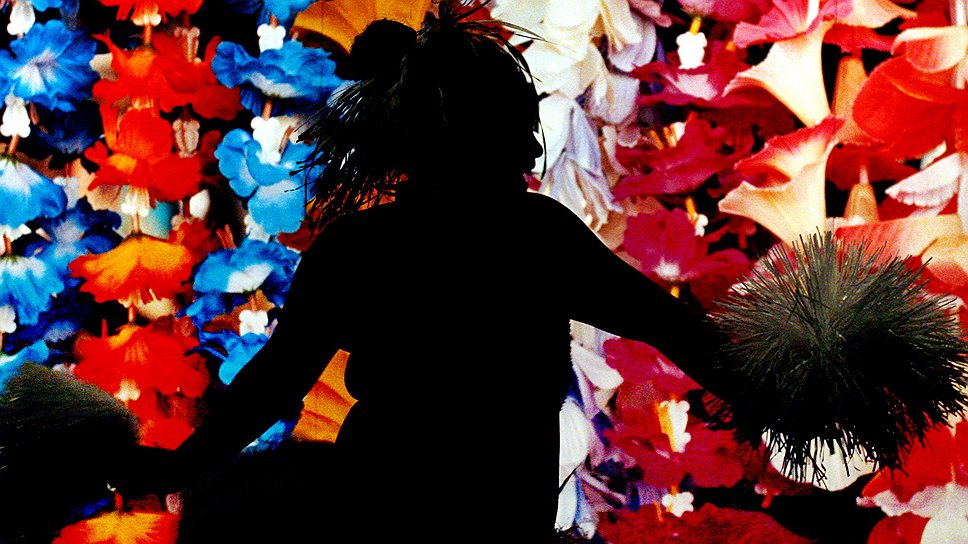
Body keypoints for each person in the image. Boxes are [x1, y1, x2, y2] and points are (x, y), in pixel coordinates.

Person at [115, 2, 734, 541]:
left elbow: (273, 382)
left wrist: (179, 466)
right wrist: (769, 389)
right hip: (498, 508)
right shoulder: (537, 235)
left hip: (383, 502)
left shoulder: (358, 245)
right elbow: (673, 328)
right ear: (512, 138)